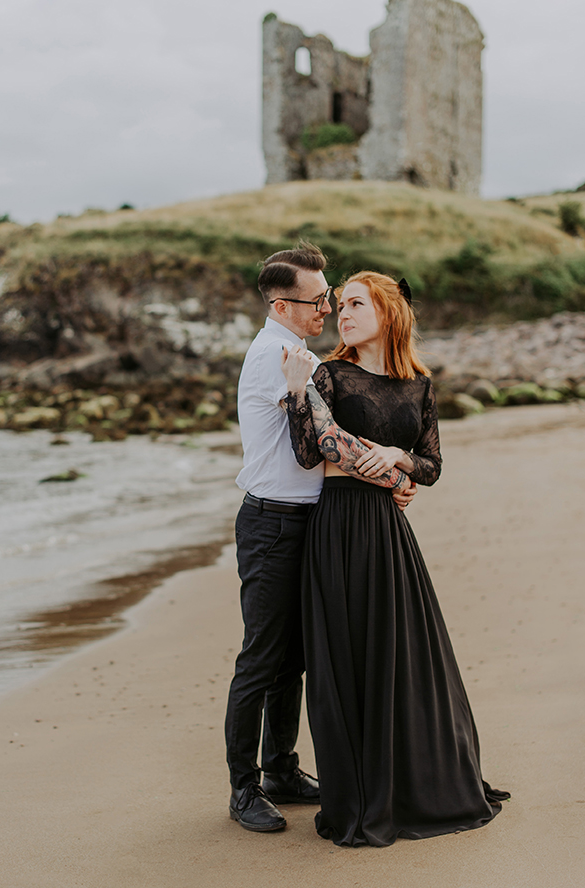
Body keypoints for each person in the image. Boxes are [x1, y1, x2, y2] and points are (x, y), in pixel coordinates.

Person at [281, 270, 510, 847]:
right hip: (337, 527)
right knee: (350, 659)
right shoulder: (329, 374)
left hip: (389, 532)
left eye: (357, 303)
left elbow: (430, 466)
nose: (343, 313)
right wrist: (296, 393)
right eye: (341, 305)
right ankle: (359, 790)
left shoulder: (419, 386)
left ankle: (419, 783)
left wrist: (397, 460)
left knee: (405, 656)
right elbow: (310, 451)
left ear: (389, 311)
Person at [226, 246, 416, 833]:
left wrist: (395, 472)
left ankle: (282, 768)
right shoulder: (276, 358)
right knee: (262, 658)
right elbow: (330, 439)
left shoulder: (302, 354)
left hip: (314, 521)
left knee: (297, 660)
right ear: (282, 304)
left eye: (331, 295)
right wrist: (394, 471)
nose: (328, 306)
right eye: (319, 299)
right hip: (274, 523)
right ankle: (243, 789)